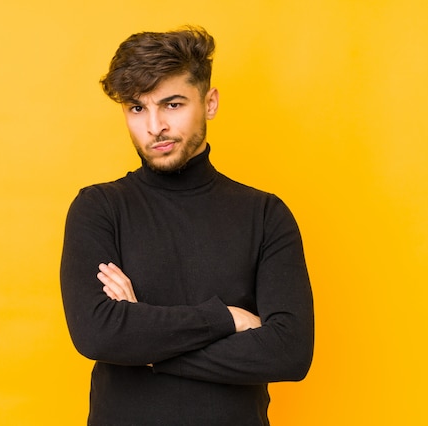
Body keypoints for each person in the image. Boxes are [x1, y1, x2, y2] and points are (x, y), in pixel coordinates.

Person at [60, 26, 314, 426]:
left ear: (209, 102)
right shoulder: (99, 208)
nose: (154, 126)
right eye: (137, 108)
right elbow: (96, 334)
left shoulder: (264, 214)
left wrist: (145, 345)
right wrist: (226, 320)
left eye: (172, 104)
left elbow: (289, 352)